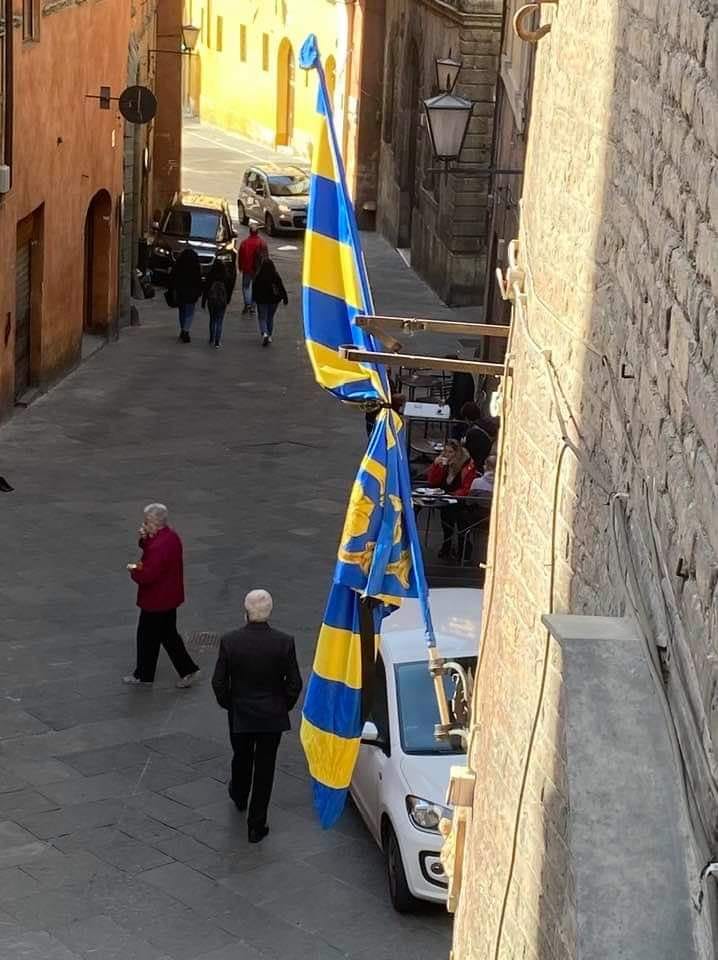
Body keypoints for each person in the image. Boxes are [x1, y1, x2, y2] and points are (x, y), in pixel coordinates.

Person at [211, 589, 302, 843]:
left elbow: (219, 682)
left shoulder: (231, 641)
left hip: (240, 713)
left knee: (241, 756)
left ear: (246, 611)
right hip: (271, 716)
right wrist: (283, 705)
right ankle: (256, 824)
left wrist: (230, 704)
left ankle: (239, 794)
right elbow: (294, 683)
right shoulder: (284, 642)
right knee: (265, 768)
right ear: (269, 611)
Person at [123, 503, 200, 688]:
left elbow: (148, 574)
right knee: (168, 635)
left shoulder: (159, 546)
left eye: (147, 521)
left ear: (156, 522)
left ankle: (144, 674)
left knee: (146, 637)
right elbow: (150, 549)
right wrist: (144, 539)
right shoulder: (171, 537)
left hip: (156, 600)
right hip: (169, 597)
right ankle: (187, 670)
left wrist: (134, 571)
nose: (144, 524)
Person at [426, 440, 476, 559]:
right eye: (445, 451)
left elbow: (467, 488)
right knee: (446, 518)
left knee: (458, 516)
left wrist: (453, 495)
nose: (447, 454)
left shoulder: (467, 466)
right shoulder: (445, 464)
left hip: (461, 500)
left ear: (457, 453)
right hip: (445, 498)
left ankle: (463, 551)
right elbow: (433, 481)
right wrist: (436, 466)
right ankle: (446, 546)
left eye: (450, 452)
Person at [252, 249, 288, 347]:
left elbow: (254, 288)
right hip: (274, 300)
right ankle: (270, 335)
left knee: (262, 318)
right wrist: (285, 298)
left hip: (262, 300)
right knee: (270, 318)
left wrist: (253, 300)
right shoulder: (275, 275)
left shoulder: (259, 276)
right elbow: (281, 286)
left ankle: (264, 333)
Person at [167, 248, 203, 343]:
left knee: (182, 311)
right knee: (189, 312)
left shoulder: (178, 266)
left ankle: (183, 329)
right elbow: (199, 281)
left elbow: (173, 278)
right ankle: (186, 330)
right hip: (192, 293)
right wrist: (199, 292)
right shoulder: (196, 267)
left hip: (181, 292)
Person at [202, 260, 234, 348]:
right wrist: (228, 299)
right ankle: (217, 341)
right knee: (220, 320)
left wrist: (204, 301)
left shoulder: (210, 276)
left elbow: (206, 289)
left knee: (212, 319)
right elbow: (229, 289)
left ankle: (211, 337)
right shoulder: (226, 276)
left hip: (212, 300)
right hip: (222, 301)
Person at [460, 402, 499, 473]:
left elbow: (470, 453)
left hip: (480, 466)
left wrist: (463, 445)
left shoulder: (472, 432)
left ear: (467, 418)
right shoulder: (488, 423)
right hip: (492, 461)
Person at [237, 225, 266, 314]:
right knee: (255, 287)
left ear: (250, 232)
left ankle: (247, 304)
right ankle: (253, 306)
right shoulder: (262, 243)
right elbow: (266, 257)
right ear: (257, 232)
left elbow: (240, 256)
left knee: (246, 287)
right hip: (258, 270)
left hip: (247, 269)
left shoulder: (244, 243)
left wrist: (240, 267)